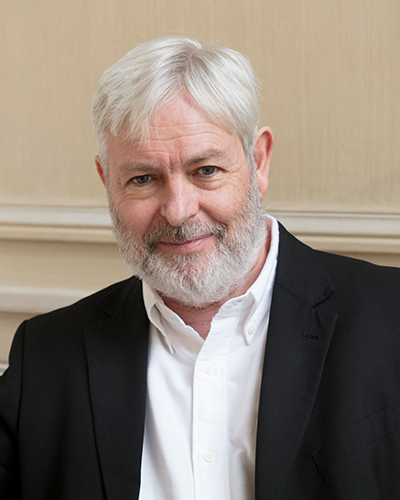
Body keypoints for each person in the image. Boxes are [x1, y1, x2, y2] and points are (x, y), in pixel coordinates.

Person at [1, 36, 400, 500]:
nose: (178, 211)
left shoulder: (390, 320)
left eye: (205, 170)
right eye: (143, 178)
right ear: (107, 182)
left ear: (258, 161)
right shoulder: (46, 356)